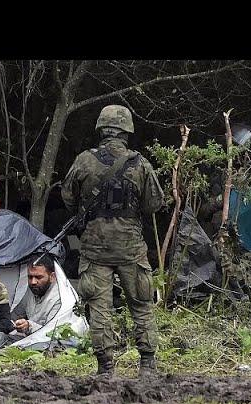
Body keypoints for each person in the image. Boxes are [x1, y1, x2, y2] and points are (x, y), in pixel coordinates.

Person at [61, 105, 164, 377]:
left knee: (99, 308)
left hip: (95, 247)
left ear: (101, 130)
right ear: (127, 132)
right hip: (130, 246)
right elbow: (154, 203)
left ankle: (106, 368)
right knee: (141, 304)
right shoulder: (140, 163)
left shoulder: (84, 160)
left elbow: (68, 198)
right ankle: (147, 365)